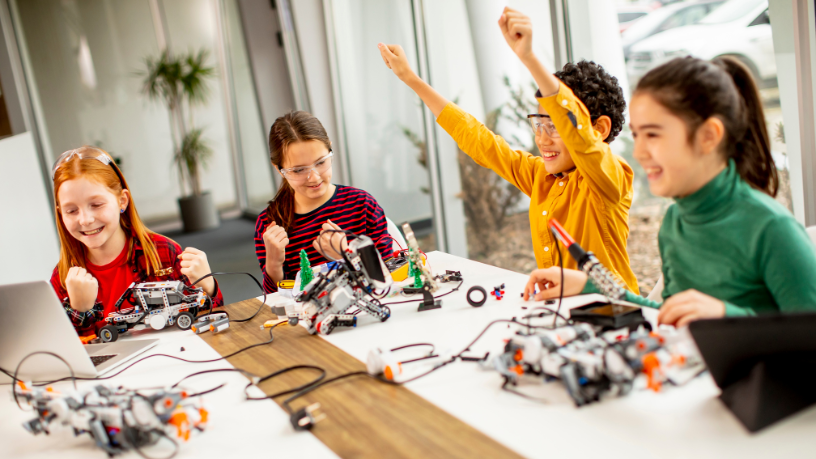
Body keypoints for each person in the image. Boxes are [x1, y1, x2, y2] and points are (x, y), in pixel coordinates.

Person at [523, 55, 816, 327]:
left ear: (708, 136)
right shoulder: (675, 222)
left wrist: (726, 317)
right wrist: (588, 285)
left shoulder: (772, 228)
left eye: (653, 135)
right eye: (637, 136)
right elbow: (665, 314)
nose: (638, 152)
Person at [378, 7, 639, 293]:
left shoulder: (610, 178)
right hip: (563, 312)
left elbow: (585, 144)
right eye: (539, 124)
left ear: (599, 129)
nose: (542, 139)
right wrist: (411, 79)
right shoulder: (542, 177)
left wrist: (528, 58)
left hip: (615, 312)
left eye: (555, 126)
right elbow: (481, 140)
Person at [50, 146, 224, 337]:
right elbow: (67, 353)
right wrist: (79, 310)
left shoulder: (164, 253)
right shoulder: (62, 278)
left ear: (122, 201)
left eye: (96, 205)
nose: (85, 220)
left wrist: (208, 287)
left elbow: (210, 324)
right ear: (60, 213)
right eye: (72, 211)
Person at [255, 111, 393, 293]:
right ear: (280, 170)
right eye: (298, 170)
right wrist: (273, 265)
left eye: (320, 163)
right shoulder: (269, 223)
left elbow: (391, 277)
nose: (314, 177)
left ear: (330, 151)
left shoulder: (362, 205)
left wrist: (345, 257)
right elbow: (276, 302)